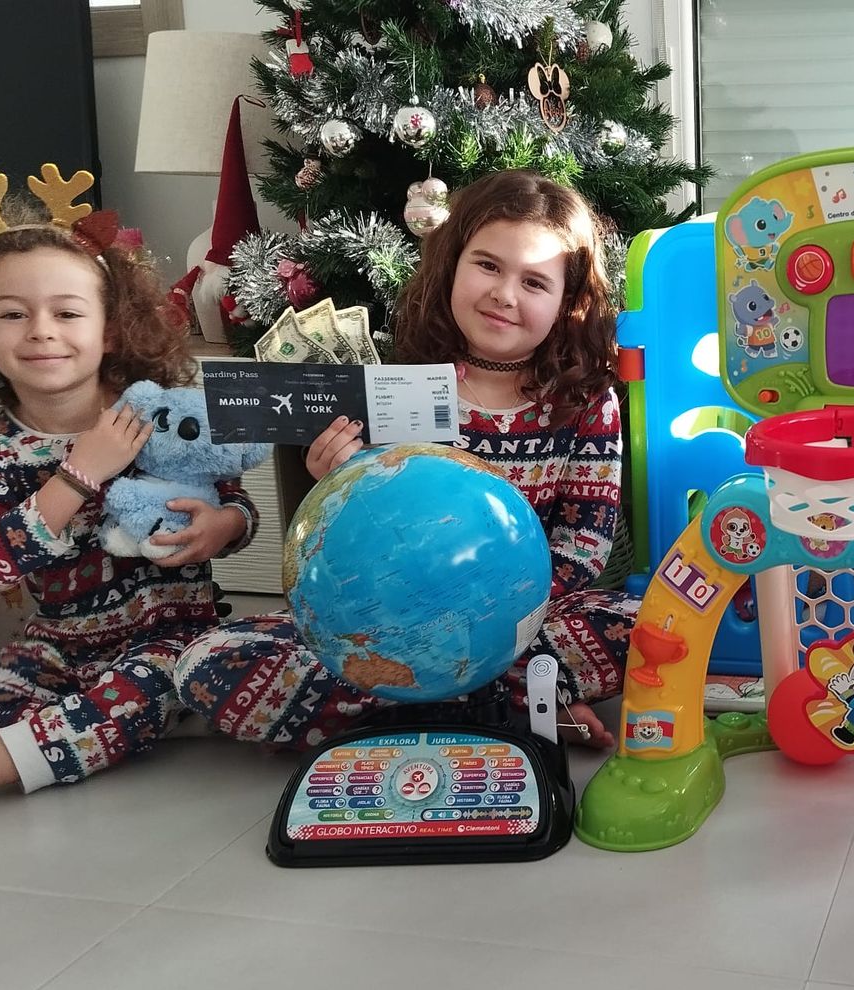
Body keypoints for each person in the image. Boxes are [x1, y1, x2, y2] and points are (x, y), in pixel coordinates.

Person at [174, 170, 636, 749]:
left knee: (647, 625)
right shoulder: (390, 388)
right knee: (206, 662)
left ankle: (412, 712)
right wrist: (338, 484)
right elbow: (342, 560)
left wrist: (493, 615)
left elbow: (584, 545)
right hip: (388, 628)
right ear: (452, 263)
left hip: (520, 623)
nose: (505, 295)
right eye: (488, 265)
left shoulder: (587, 403)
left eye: (536, 283)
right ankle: (509, 709)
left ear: (568, 303)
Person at [0, 218, 260, 795]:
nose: (40, 332)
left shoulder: (151, 415)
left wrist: (225, 525)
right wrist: (82, 473)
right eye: (12, 314)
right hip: (54, 646)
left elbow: (234, 501)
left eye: (68, 312)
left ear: (110, 330)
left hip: (172, 643)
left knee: (137, 693)